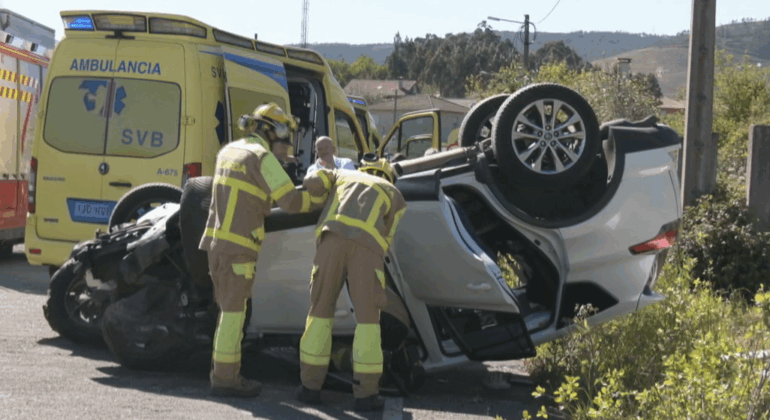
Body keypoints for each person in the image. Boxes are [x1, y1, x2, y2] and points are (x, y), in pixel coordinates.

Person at [199, 103, 315, 398]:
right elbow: (291, 203)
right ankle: (225, 379)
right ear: (271, 132)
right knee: (234, 316)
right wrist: (321, 198)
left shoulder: (229, 151)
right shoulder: (261, 157)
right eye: (284, 136)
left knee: (229, 312)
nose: (286, 145)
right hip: (239, 248)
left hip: (217, 244)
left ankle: (226, 374)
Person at [295, 156, 406, 412]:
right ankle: (366, 395)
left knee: (320, 313)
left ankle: (310, 388)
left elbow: (312, 182)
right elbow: (388, 237)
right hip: (368, 248)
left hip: (331, 239)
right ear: (388, 176)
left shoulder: (343, 175)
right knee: (368, 321)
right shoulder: (395, 194)